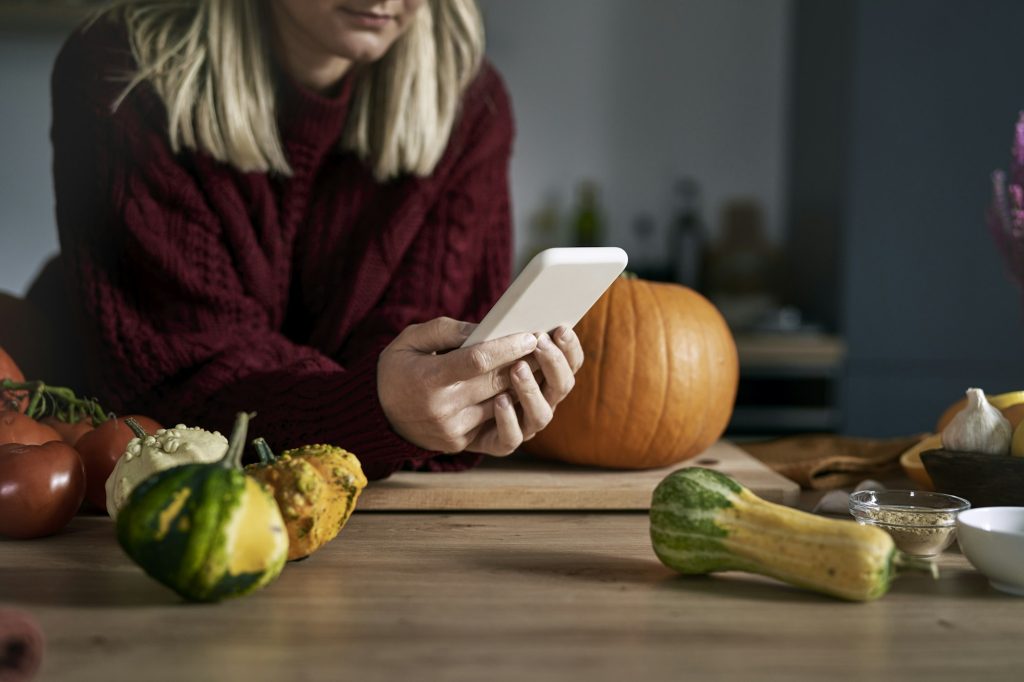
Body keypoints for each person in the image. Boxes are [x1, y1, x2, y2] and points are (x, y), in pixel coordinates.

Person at [50, 0, 584, 480]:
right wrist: (378, 412)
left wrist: (452, 407)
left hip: (365, 506)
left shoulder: (470, 106)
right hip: (134, 495)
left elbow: (423, 339)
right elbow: (182, 379)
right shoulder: (124, 72)